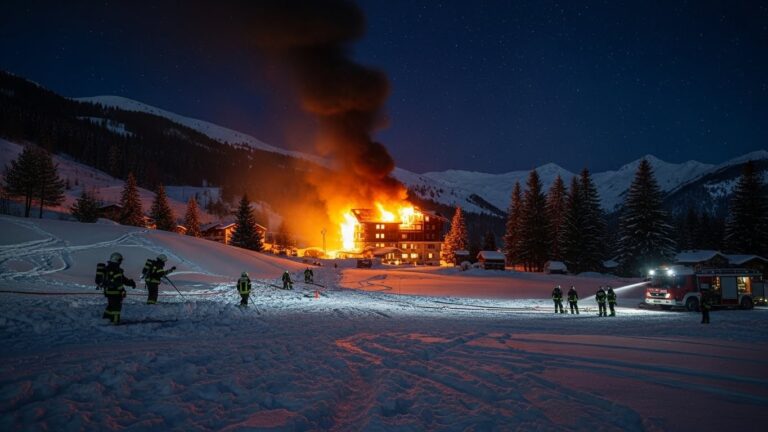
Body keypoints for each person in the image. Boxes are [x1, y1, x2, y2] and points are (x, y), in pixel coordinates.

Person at [101, 252, 136, 325]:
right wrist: (122, 290)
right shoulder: (114, 269)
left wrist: (131, 283)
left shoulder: (113, 268)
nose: (121, 262)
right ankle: (115, 322)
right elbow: (117, 282)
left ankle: (106, 319)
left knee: (111, 306)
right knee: (116, 308)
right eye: (120, 260)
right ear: (116, 260)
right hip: (114, 292)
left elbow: (122, 279)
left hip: (110, 292)